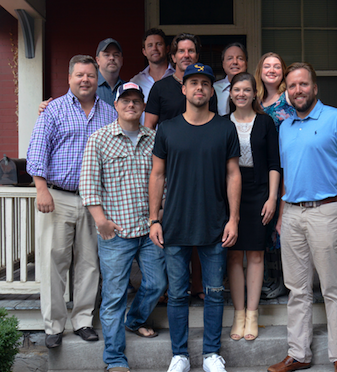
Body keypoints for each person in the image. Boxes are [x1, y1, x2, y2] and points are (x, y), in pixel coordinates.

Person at [268, 62, 337, 372]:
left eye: (303, 84)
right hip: (293, 214)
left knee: (332, 288)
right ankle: (298, 354)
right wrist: (283, 212)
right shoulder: (284, 127)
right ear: (287, 91)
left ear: (314, 87)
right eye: (292, 86)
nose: (298, 90)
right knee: (296, 289)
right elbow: (287, 175)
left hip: (328, 211)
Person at [149, 63, 241, 372]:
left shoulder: (225, 127)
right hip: (174, 224)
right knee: (177, 295)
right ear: (184, 89)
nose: (199, 87)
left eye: (205, 82)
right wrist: (154, 219)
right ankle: (180, 356)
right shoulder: (167, 128)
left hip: (215, 223)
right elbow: (157, 175)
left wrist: (234, 219)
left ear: (211, 90)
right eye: (193, 83)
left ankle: (211, 354)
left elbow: (232, 174)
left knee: (214, 294)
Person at [26, 55, 117, 348]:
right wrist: (42, 189)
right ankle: (53, 326)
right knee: (55, 262)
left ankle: (83, 321)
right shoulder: (53, 110)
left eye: (90, 75)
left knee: (89, 264)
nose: (85, 80)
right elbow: (37, 151)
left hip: (94, 201)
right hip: (59, 197)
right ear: (69, 78)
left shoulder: (109, 113)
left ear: (97, 78)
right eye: (79, 75)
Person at [79, 82, 167, 372]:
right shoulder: (99, 139)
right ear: (116, 105)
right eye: (125, 100)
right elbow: (89, 185)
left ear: (143, 107)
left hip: (149, 227)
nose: (131, 105)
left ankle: (136, 319)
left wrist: (161, 213)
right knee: (114, 296)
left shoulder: (154, 139)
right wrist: (100, 220)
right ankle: (115, 359)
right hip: (115, 232)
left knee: (156, 283)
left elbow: (164, 181)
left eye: (136, 101)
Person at [225, 72, 280, 342]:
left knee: (256, 254)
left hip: (259, 191)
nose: (242, 94)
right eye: (237, 89)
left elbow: (274, 163)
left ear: (253, 93)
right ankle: (238, 315)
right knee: (234, 255)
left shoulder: (266, 122)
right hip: (230, 193)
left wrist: (273, 197)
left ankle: (253, 314)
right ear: (231, 93)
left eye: (247, 89)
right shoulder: (222, 123)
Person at [254, 52, 296, 300]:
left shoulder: (288, 97)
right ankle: (269, 279)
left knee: (283, 224)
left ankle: (286, 281)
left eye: (277, 66)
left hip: (287, 167)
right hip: (265, 168)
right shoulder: (256, 101)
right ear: (260, 70)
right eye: (267, 66)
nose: (271, 70)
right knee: (266, 224)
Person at [144, 33, 217, 129]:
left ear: (197, 56)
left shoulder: (205, 88)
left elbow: (214, 123)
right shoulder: (159, 87)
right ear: (174, 57)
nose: (186, 55)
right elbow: (149, 127)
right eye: (181, 51)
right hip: (169, 143)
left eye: (190, 51)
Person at [38, 38, 125, 113]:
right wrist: (48, 109)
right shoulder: (86, 86)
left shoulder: (128, 88)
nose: (112, 58)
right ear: (98, 60)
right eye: (106, 54)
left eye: (116, 55)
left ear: (121, 60)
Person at [130, 28, 175, 126]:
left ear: (167, 49)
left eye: (159, 44)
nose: (154, 48)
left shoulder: (177, 78)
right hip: (144, 139)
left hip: (173, 139)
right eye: (150, 45)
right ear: (144, 52)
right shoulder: (136, 82)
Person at [214, 43, 248, 116]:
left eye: (240, 58)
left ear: (246, 63)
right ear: (223, 64)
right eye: (230, 58)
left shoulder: (255, 88)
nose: (235, 62)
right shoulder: (213, 89)